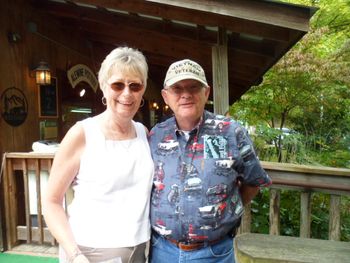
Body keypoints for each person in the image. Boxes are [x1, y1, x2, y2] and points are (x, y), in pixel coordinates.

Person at [148, 59, 272, 263]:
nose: (185, 94)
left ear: (206, 93)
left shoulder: (230, 132)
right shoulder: (156, 136)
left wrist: (225, 210)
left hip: (214, 254)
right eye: (177, 88)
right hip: (162, 251)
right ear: (166, 96)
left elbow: (254, 181)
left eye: (193, 87)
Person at [42, 47, 154, 263]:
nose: (126, 93)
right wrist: (75, 255)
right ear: (104, 87)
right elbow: (51, 201)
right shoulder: (83, 133)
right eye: (117, 84)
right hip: (89, 253)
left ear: (143, 90)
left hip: (140, 250)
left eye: (135, 85)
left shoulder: (143, 133)